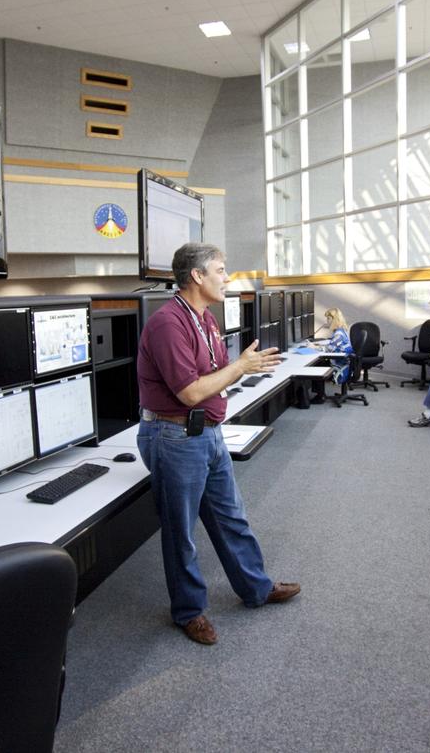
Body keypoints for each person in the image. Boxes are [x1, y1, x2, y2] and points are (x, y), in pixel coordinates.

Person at [135, 243, 300, 645]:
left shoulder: (205, 318)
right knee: (181, 532)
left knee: (231, 518)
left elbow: (215, 374)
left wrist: (239, 369)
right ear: (197, 276)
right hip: (174, 436)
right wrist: (241, 366)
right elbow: (191, 392)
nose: (227, 278)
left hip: (207, 433)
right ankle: (188, 611)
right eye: (221, 270)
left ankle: (256, 587)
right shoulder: (167, 324)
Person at [308, 307, 354, 402]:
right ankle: (320, 394)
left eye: (328, 318)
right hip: (346, 363)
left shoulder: (338, 334)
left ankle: (320, 397)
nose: (327, 321)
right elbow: (333, 346)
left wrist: (313, 347)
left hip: (341, 367)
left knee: (317, 366)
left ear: (334, 320)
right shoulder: (342, 330)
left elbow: (329, 350)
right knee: (320, 363)